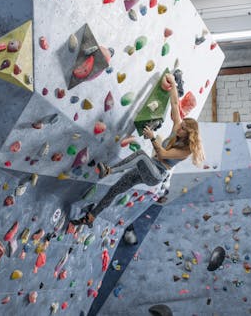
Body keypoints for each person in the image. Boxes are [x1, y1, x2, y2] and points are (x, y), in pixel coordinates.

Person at [72, 73, 205, 228]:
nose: (179, 128)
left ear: (189, 134)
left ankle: (109, 170)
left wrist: (152, 137)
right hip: (149, 167)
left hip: (156, 175)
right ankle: (91, 217)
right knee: (116, 189)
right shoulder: (177, 128)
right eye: (180, 126)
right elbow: (175, 104)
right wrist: (174, 84)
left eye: (182, 129)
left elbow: (162, 154)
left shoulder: (186, 150)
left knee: (141, 155)